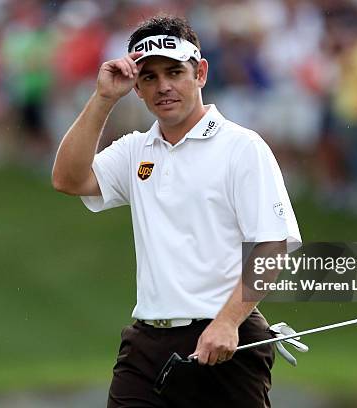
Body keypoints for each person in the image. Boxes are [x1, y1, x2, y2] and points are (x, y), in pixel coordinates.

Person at [52, 15, 301, 408]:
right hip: (147, 346)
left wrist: (227, 322)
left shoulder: (242, 147)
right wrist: (103, 98)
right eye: (148, 77)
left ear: (200, 72)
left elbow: (271, 245)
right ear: (136, 86)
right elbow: (68, 178)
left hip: (226, 341)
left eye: (174, 72)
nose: (163, 86)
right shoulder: (136, 150)